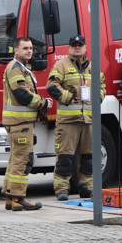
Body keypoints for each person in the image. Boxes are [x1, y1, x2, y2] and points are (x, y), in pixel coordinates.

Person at [47, 34, 105, 201]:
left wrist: (97, 97)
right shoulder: (61, 65)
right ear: (69, 48)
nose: (77, 48)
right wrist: (67, 97)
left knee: (88, 157)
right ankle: (61, 189)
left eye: (80, 45)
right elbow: (52, 85)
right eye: (74, 45)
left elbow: (102, 87)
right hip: (68, 122)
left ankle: (86, 188)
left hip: (88, 121)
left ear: (85, 48)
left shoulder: (93, 68)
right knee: (65, 156)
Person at [1, 37, 45, 211]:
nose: (29, 51)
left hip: (20, 123)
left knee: (15, 159)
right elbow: (23, 95)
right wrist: (43, 103)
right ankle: (19, 198)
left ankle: (11, 197)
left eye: (31, 48)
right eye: (25, 48)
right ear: (16, 51)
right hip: (20, 123)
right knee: (23, 160)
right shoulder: (15, 69)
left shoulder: (22, 68)